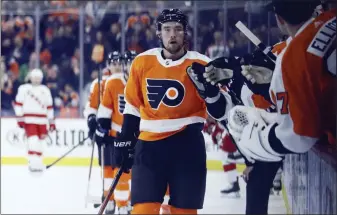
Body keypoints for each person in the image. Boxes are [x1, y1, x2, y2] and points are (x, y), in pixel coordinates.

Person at [113, 8, 230, 214]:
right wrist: (125, 140)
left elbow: (222, 111)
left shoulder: (202, 64)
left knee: (184, 211)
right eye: (167, 29)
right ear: (158, 33)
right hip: (149, 148)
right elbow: (132, 107)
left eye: (178, 29)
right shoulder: (142, 62)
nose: (172, 34)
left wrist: (211, 95)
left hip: (187, 147)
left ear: (186, 32)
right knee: (143, 210)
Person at [96, 50, 137, 214]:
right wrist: (101, 127)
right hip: (117, 136)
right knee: (120, 173)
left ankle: (129, 203)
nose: (129, 66)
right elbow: (105, 109)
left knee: (136, 174)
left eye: (133, 62)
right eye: (128, 62)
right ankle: (120, 204)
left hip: (139, 136)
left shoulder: (144, 81)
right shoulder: (113, 82)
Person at [83, 51, 118, 214]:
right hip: (105, 132)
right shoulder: (100, 83)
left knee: (124, 169)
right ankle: (108, 199)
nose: (117, 66)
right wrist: (91, 121)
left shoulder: (129, 81)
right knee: (107, 167)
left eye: (119, 63)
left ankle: (125, 199)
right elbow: (91, 106)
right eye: (113, 63)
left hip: (122, 132)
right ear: (108, 65)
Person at [14, 68, 56, 172]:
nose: (36, 80)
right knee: (33, 141)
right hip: (29, 120)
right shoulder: (24, 89)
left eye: (38, 78)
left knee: (41, 143)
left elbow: (49, 107)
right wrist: (20, 118)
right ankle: (33, 162)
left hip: (42, 121)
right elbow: (18, 104)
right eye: (35, 78)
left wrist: (51, 122)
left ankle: (39, 162)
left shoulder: (45, 90)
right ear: (30, 78)